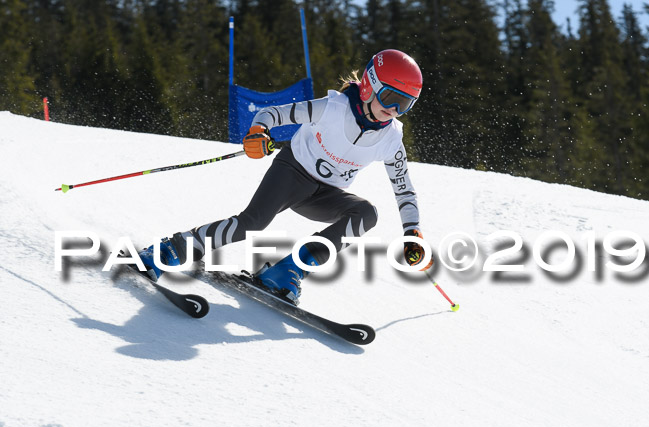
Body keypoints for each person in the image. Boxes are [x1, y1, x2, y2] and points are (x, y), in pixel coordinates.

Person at [138, 49, 433, 304]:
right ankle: (169, 249)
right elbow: (272, 115)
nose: (393, 110)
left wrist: (412, 231)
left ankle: (287, 270)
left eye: (405, 104)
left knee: (366, 214)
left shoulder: (391, 138)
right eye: (391, 97)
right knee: (251, 224)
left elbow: (404, 188)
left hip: (324, 196)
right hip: (292, 172)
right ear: (370, 85)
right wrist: (259, 132)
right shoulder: (332, 108)